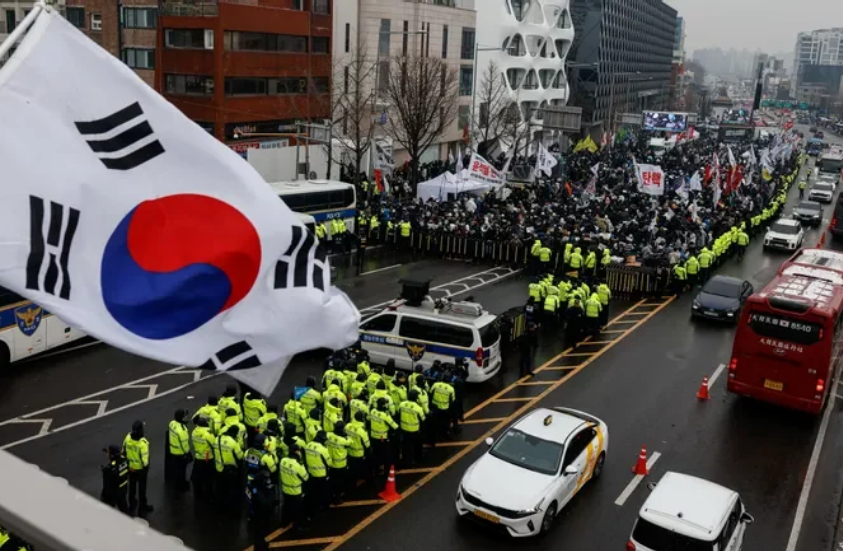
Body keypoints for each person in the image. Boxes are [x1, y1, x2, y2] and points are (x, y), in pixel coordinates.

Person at [122, 420, 152, 516]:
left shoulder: (128, 438)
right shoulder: (143, 443)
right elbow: (145, 461)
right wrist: (146, 467)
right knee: (142, 489)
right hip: (140, 470)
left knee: (132, 487)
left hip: (131, 469)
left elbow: (123, 451)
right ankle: (142, 507)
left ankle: (132, 503)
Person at [280, 445, 309, 531]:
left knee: (286, 506)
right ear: (296, 452)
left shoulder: (283, 461)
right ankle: (297, 526)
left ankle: (284, 522)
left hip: (285, 490)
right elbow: (306, 478)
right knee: (297, 509)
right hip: (295, 492)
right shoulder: (298, 465)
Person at [215, 424, 244, 509]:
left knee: (220, 488)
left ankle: (219, 504)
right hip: (230, 470)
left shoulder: (217, 439)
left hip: (218, 467)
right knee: (230, 489)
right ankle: (230, 506)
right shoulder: (233, 442)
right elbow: (240, 456)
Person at [369, 397, 398, 482]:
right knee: (386, 455)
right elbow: (395, 426)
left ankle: (376, 471)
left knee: (376, 455)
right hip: (382, 438)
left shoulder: (373, 411)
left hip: (373, 437)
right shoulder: (385, 416)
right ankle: (386, 471)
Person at [304, 430, 331, 518]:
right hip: (321, 475)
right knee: (323, 492)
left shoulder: (308, 445)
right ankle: (323, 507)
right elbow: (329, 462)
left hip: (311, 473)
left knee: (313, 493)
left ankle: (313, 508)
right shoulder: (323, 449)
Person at [249, 470, 279, 551]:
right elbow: (265, 503)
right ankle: (260, 547)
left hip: (255, 512)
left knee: (259, 533)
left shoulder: (253, 486)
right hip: (260, 515)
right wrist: (271, 493)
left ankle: (261, 544)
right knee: (260, 532)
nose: (268, 482)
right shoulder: (258, 492)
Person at [164, 408, 191, 492]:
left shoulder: (172, 423)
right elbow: (184, 445)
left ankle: (178, 484)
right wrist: (187, 453)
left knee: (177, 469)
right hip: (180, 453)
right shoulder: (182, 431)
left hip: (173, 451)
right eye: (184, 416)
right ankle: (181, 486)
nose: (186, 417)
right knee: (181, 471)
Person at [190, 416, 216, 502]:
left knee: (197, 476)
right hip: (208, 457)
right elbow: (214, 445)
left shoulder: (194, 432)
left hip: (198, 456)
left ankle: (197, 492)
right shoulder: (208, 434)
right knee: (209, 477)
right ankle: (209, 495)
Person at [326, 421, 352, 504]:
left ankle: (332, 496)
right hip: (340, 465)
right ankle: (338, 499)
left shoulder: (329, 435)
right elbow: (350, 442)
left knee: (333, 481)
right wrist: (346, 436)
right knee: (339, 482)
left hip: (330, 464)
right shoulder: (342, 440)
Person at [399, 389, 426, 467]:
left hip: (403, 429)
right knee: (412, 447)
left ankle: (405, 460)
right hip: (413, 430)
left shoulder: (402, 404)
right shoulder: (418, 408)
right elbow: (423, 419)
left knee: (405, 446)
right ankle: (411, 461)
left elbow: (399, 414)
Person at [100, 444, 129, 513]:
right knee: (124, 508)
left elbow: (107, 486)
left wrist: (104, 497)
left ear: (112, 456)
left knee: (108, 511)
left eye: (108, 453)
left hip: (113, 493)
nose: (107, 454)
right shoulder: (125, 460)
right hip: (123, 488)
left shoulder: (109, 469)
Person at [430, 376, 455, 442]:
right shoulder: (451, 389)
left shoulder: (436, 384)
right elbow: (452, 400)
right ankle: (445, 435)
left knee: (435, 423)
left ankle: (435, 436)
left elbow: (430, 393)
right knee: (445, 423)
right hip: (445, 408)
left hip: (435, 407)